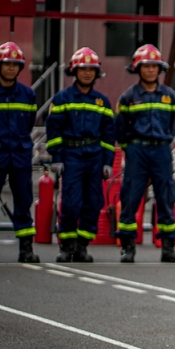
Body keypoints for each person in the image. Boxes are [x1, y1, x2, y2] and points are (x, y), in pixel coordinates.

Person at [115, 44, 175, 264]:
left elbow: (173, 126)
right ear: (138, 68)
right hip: (137, 150)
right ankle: (127, 248)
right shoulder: (128, 97)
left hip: (161, 150)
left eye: (154, 66)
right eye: (146, 66)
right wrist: (131, 148)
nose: (151, 70)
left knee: (166, 197)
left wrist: (162, 143)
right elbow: (120, 128)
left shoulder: (170, 97)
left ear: (159, 69)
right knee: (131, 197)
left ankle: (168, 248)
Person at [46, 48, 115, 263]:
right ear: (74, 71)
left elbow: (108, 134)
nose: (87, 73)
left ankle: (82, 246)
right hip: (71, 156)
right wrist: (57, 157)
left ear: (97, 73)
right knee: (71, 204)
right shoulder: (62, 98)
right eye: (82, 69)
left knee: (94, 202)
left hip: (94, 157)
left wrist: (108, 162)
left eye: (91, 70)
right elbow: (53, 130)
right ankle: (67, 246)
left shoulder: (102, 102)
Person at [0, 42, 40, 263]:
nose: (11, 68)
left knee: (23, 200)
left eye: (15, 64)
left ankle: (26, 249)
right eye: (7, 64)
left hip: (20, 155)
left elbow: (29, 123)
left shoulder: (28, 94)